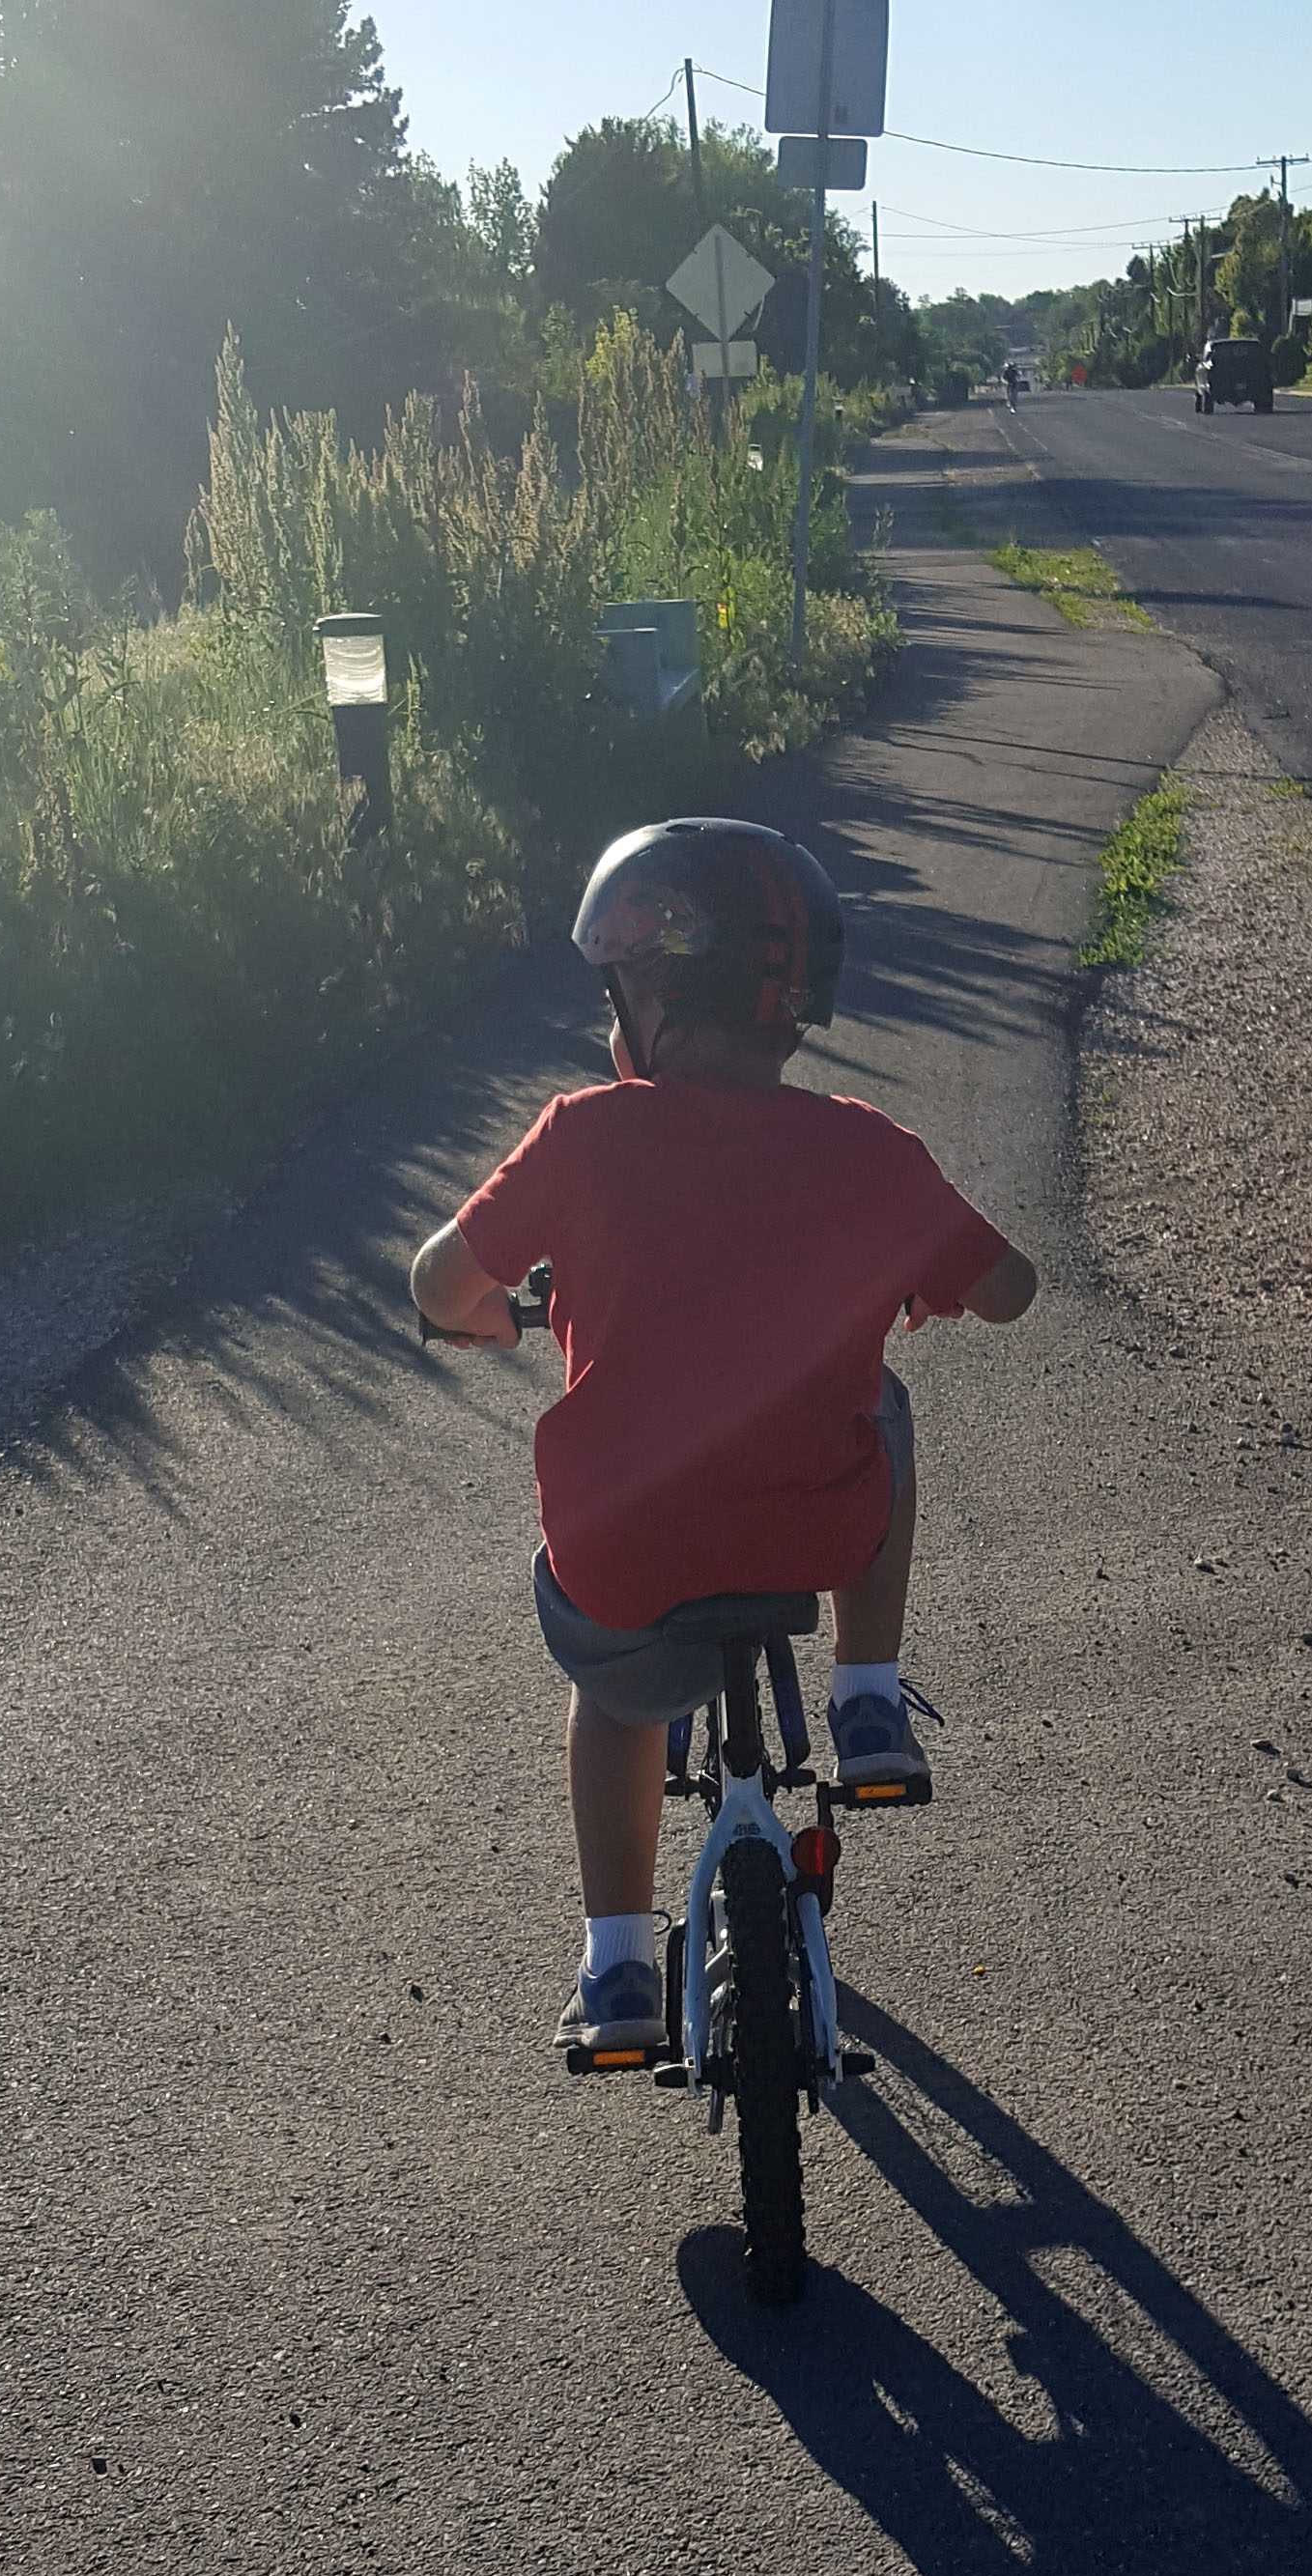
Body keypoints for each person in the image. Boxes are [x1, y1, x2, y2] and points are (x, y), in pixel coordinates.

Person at [409, 819, 1038, 2054]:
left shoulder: (584, 1131)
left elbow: (438, 1280)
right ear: (791, 1013)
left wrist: (491, 1317)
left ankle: (621, 1967)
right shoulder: (868, 1148)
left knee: (613, 1697)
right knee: (884, 1409)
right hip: (812, 1518)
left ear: (649, 992)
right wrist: (920, 1279)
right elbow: (1011, 1286)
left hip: (623, 1550)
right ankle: (865, 1697)